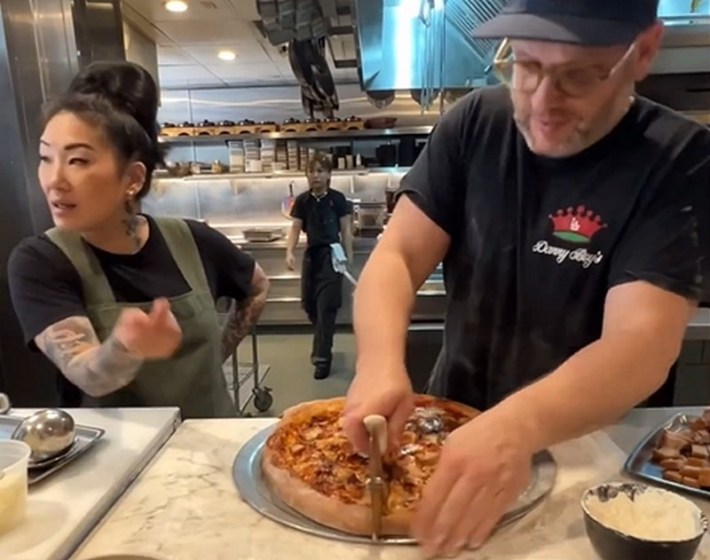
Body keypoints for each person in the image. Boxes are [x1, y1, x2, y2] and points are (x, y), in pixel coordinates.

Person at [342, 0, 710, 556]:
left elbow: (640, 346)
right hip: (450, 430)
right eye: (527, 65)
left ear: (645, 52)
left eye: (576, 76)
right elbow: (395, 257)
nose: (542, 102)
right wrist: (377, 363)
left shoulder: (680, 159)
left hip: (591, 451)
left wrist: (517, 426)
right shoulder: (473, 124)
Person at [7, 61, 270, 419]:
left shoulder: (193, 240)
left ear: (132, 178)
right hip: (117, 465)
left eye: (78, 160)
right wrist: (125, 347)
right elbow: (89, 375)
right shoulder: (42, 261)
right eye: (45, 157)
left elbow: (257, 286)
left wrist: (216, 352)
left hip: (212, 447)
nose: (54, 179)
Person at [285, 154, 353, 379]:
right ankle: (321, 342)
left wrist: (348, 257)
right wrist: (289, 252)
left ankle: (323, 358)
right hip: (311, 259)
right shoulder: (303, 201)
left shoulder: (338, 199)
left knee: (327, 308)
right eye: (312, 171)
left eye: (321, 171)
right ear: (307, 175)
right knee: (310, 306)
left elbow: (346, 230)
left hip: (333, 257)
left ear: (329, 175)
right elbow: (295, 228)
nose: (316, 175)